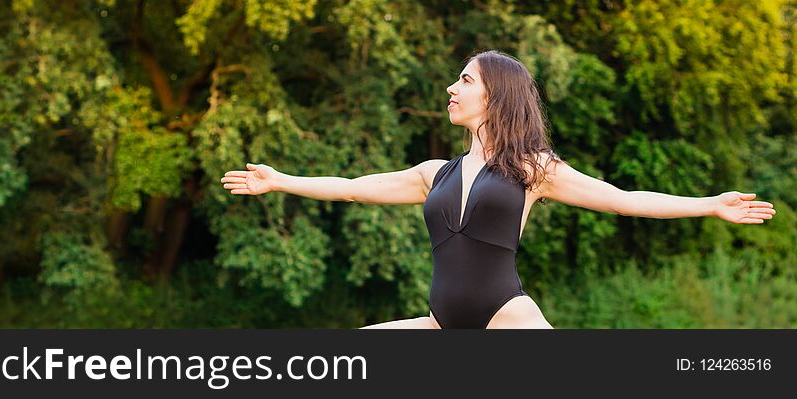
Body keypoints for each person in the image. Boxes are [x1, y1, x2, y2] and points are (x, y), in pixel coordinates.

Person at [219, 50, 777, 329]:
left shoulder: (534, 168)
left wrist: (711, 205)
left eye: (464, 80)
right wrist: (279, 181)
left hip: (505, 319)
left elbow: (623, 199)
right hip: (441, 325)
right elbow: (352, 189)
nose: (450, 88)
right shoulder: (431, 173)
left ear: (497, 96)